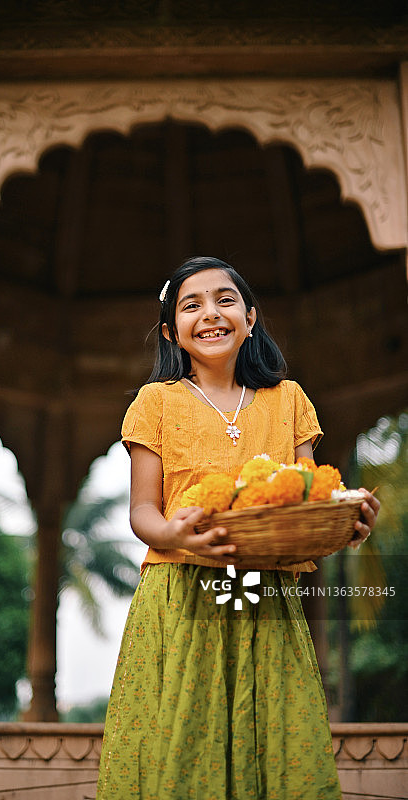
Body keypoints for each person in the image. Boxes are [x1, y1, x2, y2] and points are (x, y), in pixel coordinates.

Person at [95, 256, 380, 800]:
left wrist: (347, 523)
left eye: (225, 300)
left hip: (266, 597)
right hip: (181, 597)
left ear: (250, 318)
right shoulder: (155, 402)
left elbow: (308, 494)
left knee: (275, 743)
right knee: (183, 744)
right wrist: (173, 536)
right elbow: (143, 514)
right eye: (191, 304)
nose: (211, 314)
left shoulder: (288, 399)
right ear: (170, 330)